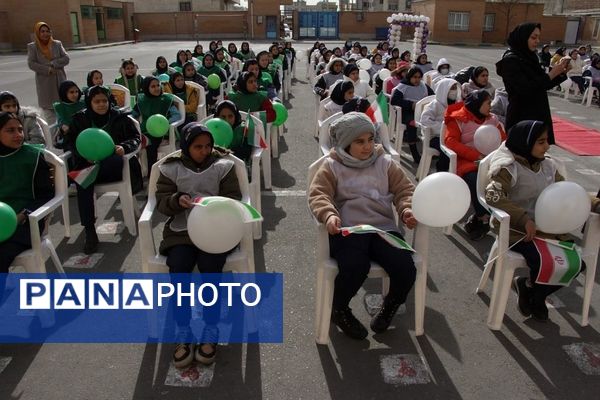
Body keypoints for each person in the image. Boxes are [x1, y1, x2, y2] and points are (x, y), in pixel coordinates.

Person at [308, 112, 417, 340]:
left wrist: (406, 209)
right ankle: (339, 308)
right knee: (355, 266)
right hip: (348, 228)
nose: (367, 146)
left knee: (405, 268)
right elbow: (319, 194)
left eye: (370, 139)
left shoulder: (384, 163)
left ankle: (390, 305)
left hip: (382, 227)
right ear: (346, 143)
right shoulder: (331, 166)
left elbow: (405, 190)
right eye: (359, 141)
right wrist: (328, 215)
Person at [485, 120, 600, 321]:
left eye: (546, 141)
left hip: (549, 230)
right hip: (520, 232)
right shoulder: (508, 168)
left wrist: (594, 203)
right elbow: (493, 196)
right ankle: (536, 297)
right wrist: (522, 219)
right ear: (525, 142)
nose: (547, 146)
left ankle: (531, 290)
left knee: (575, 265)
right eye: (541, 142)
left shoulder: (548, 166)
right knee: (542, 263)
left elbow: (567, 193)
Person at [155, 122, 241, 368]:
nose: (204, 151)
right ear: (186, 147)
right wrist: (176, 200)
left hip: (215, 232)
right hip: (181, 232)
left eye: (208, 146)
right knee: (179, 267)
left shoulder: (223, 166)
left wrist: (216, 204)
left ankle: (211, 327)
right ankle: (183, 329)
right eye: (197, 147)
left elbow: (234, 198)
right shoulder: (171, 168)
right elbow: (161, 201)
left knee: (210, 267)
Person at [65, 86, 142, 253]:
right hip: (87, 165)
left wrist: (124, 147)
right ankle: (90, 230)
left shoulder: (119, 117)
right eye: (97, 101)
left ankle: (82, 175)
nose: (101, 104)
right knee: (84, 182)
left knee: (94, 171)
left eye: (104, 101)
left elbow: (136, 138)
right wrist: (82, 155)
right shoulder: (80, 119)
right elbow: (70, 143)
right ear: (89, 102)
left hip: (112, 168)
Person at [0, 113, 54, 299]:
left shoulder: (33, 156)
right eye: (10, 130)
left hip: (26, 224)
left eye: (20, 129)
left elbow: (46, 195)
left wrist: (23, 215)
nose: (18, 134)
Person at [444, 90, 506, 241]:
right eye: (488, 103)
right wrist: (476, 156)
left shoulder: (492, 120)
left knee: (505, 178)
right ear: (477, 104)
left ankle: (488, 217)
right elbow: (450, 142)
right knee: (474, 179)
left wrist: (496, 156)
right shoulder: (458, 119)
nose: (491, 106)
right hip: (468, 160)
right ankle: (483, 216)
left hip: (491, 159)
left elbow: (503, 140)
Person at [496, 23, 570, 144]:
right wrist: (551, 74)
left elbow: (543, 85)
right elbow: (525, 89)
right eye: (533, 37)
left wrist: (560, 72)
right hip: (522, 115)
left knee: (538, 151)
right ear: (522, 37)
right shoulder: (510, 60)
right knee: (522, 152)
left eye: (538, 37)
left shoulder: (530, 57)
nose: (537, 41)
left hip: (538, 111)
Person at [132, 77, 181, 173]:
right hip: (145, 129)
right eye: (153, 86)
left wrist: (165, 122)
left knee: (151, 146)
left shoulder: (166, 100)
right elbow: (133, 114)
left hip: (161, 131)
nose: (157, 88)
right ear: (146, 88)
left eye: (158, 85)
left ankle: (152, 172)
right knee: (134, 143)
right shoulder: (142, 100)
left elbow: (176, 115)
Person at [391, 67, 435, 164]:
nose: (417, 80)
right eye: (415, 77)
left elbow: (433, 96)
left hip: (422, 112)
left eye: (419, 77)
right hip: (407, 113)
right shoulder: (402, 86)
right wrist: (411, 104)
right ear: (410, 77)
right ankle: (414, 153)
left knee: (434, 123)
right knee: (412, 124)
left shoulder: (423, 86)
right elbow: (394, 101)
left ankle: (432, 148)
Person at [27, 22, 70, 118]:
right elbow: (31, 63)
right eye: (42, 31)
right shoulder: (33, 47)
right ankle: (51, 132)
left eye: (47, 31)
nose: (45, 34)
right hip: (45, 83)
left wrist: (53, 63)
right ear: (38, 33)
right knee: (49, 112)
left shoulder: (57, 44)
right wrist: (47, 69)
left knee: (63, 108)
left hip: (60, 80)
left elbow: (66, 58)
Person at [419, 78, 461, 172]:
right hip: (435, 137)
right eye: (451, 88)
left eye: (455, 88)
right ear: (444, 89)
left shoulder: (457, 104)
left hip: (452, 136)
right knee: (448, 149)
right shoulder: (434, 105)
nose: (454, 91)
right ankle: (441, 171)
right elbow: (425, 121)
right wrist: (444, 128)